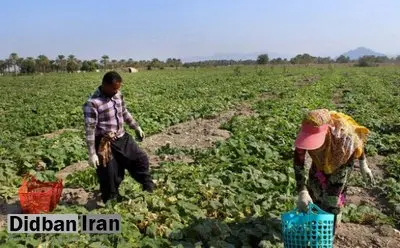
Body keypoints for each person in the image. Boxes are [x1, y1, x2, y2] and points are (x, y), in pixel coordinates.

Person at [293, 109, 374, 234]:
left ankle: (329, 229)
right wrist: (302, 191)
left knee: (332, 199)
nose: (313, 146)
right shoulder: (305, 133)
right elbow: (298, 163)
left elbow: (357, 144)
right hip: (320, 162)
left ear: (327, 133)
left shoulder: (343, 138)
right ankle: (315, 219)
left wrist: (363, 163)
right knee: (314, 189)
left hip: (342, 162)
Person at [83, 71, 154, 204]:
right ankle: (111, 203)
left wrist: (136, 127)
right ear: (105, 85)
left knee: (140, 159)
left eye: (118, 88)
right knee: (110, 176)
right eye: (114, 88)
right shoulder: (93, 103)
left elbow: (124, 112)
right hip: (105, 144)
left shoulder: (118, 95)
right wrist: (92, 154)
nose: (117, 91)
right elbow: (90, 129)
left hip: (122, 137)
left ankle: (149, 188)